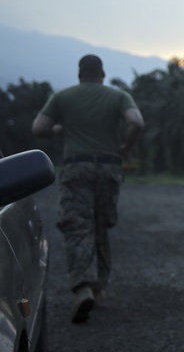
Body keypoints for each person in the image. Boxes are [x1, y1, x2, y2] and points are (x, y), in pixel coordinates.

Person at [32, 54, 145, 323]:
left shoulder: (64, 97)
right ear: (102, 74)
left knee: (77, 225)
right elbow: (136, 122)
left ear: (79, 73)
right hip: (109, 168)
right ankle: (100, 287)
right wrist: (126, 149)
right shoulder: (118, 96)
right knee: (100, 225)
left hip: (77, 168)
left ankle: (82, 286)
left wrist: (61, 128)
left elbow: (39, 128)